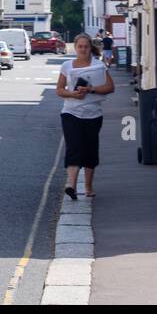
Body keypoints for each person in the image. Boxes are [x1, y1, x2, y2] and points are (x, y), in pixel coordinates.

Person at [56, 33, 114, 200]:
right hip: (71, 112)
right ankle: (71, 185)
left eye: (86, 46)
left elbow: (110, 87)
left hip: (93, 114)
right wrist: (73, 94)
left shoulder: (99, 66)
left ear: (90, 48)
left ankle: (88, 186)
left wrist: (91, 90)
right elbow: (59, 90)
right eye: (80, 46)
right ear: (75, 47)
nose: (83, 49)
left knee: (90, 149)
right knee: (73, 146)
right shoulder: (67, 66)